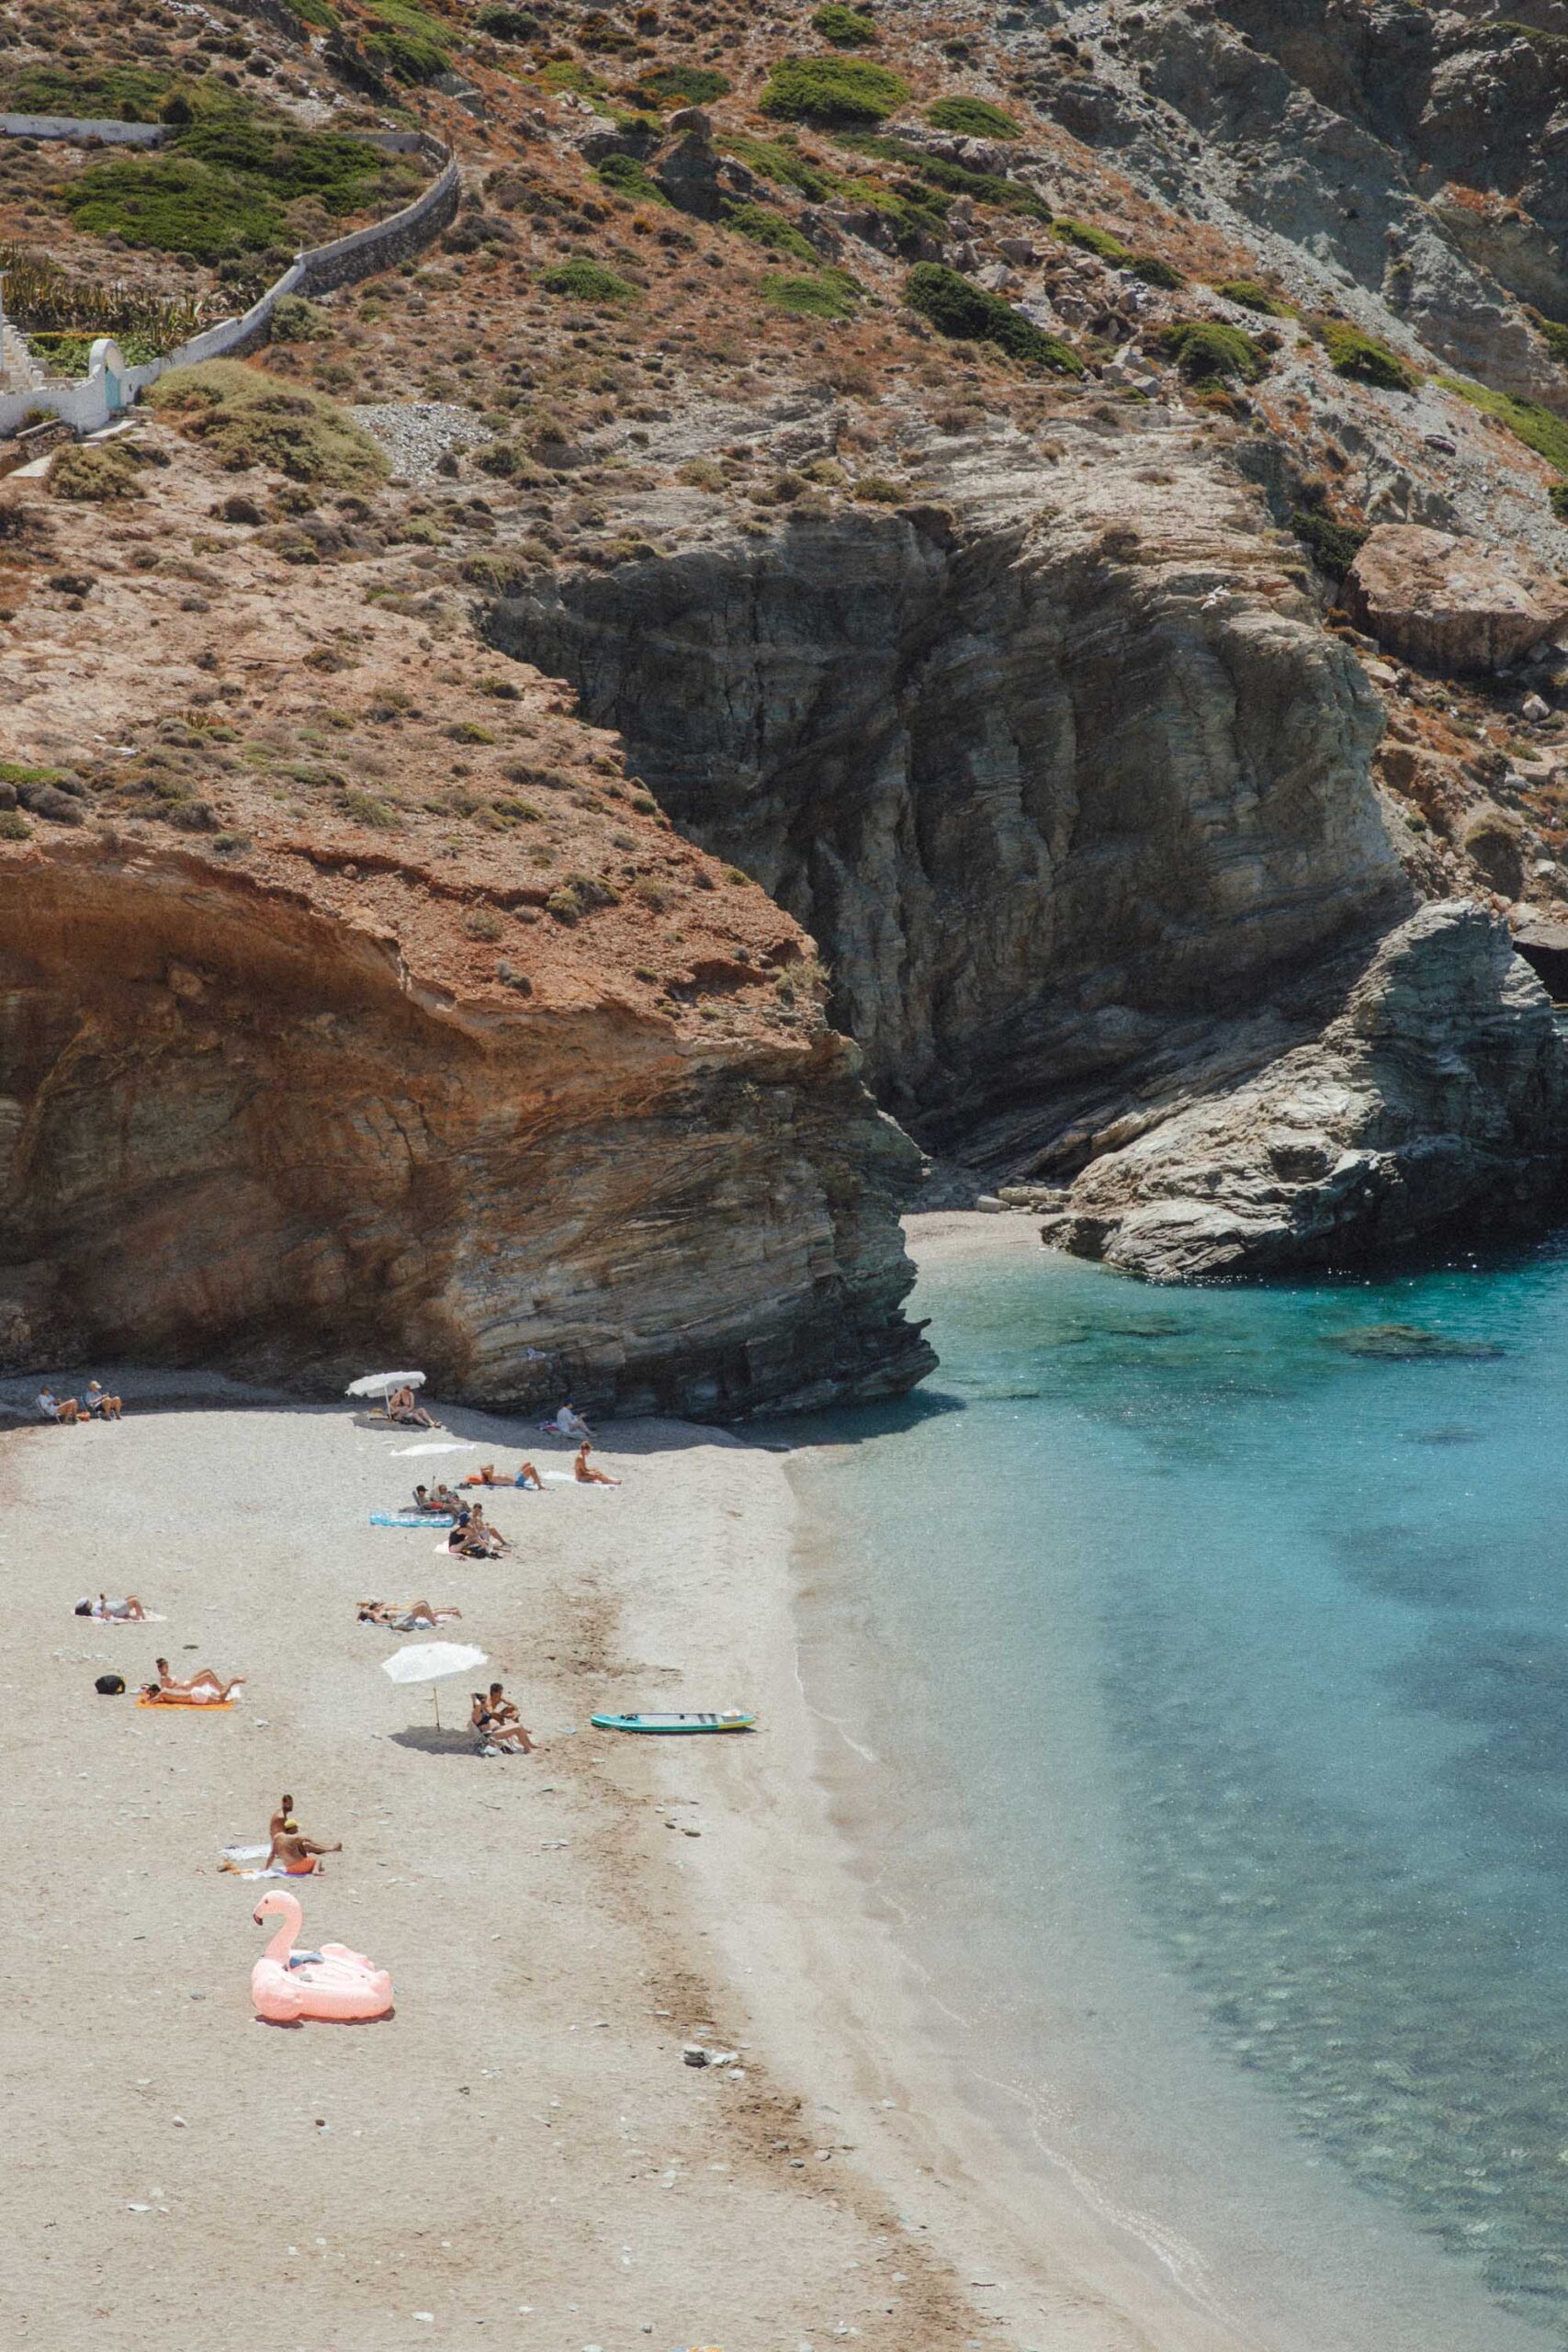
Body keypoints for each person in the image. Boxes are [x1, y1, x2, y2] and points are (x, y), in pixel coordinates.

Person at [148, 1656, 243, 1702]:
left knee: (207, 1671)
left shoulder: (164, 1688)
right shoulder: (163, 1680)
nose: (167, 1669)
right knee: (207, 1677)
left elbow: (164, 1694)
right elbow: (167, 1692)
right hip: (186, 1689)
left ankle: (222, 1687)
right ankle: (225, 1686)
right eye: (165, 1667)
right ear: (160, 1668)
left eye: (167, 1667)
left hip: (187, 1690)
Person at [471, 1683, 535, 1755]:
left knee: (519, 1725)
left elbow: (511, 1705)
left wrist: (513, 1713)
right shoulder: (476, 1714)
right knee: (518, 1728)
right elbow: (478, 1705)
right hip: (492, 1735)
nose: (485, 1703)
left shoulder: (482, 1711)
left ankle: (530, 1744)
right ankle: (527, 1749)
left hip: (497, 1729)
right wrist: (475, 1698)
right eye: (483, 1702)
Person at [266, 1818, 342, 1876]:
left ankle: (330, 1848)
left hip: (289, 1869)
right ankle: (316, 1870)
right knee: (316, 1859)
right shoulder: (295, 1838)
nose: (297, 1829)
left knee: (307, 1845)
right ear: (292, 1828)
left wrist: (266, 1868)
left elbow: (272, 1854)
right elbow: (305, 1842)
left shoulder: (278, 1837)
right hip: (298, 1867)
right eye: (296, 1827)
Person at [75, 1593, 148, 1621]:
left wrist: (103, 1599)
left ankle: (137, 1614)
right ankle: (142, 1617)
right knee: (135, 1601)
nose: (89, 1602)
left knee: (134, 1596)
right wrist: (103, 1603)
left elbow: (104, 1602)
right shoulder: (94, 1611)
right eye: (87, 1602)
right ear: (85, 1607)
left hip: (116, 1604)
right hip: (117, 1609)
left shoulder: (94, 1605)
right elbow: (105, 1614)